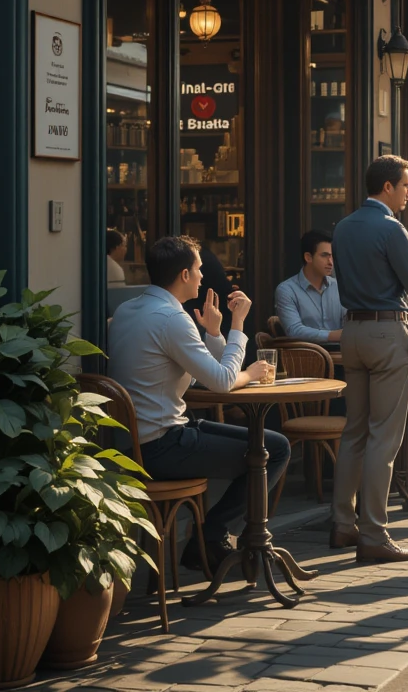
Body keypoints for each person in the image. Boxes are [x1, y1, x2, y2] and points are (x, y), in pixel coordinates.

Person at [108, 235, 285, 572]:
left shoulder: (128, 309)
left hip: (138, 443)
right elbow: (221, 383)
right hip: (161, 445)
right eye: (199, 269)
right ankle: (210, 537)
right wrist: (238, 328)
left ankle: (212, 539)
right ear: (184, 275)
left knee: (269, 444)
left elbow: (203, 375)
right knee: (273, 451)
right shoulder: (171, 319)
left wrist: (215, 333)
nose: (204, 276)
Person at [330, 155, 408, 562]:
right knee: (384, 435)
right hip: (386, 330)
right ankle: (374, 534)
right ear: (387, 188)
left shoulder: (343, 228)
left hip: (353, 332)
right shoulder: (391, 228)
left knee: (355, 430)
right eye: (406, 185)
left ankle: (344, 524)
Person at [274, 230, 345, 343]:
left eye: (332, 256)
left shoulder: (339, 287)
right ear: (308, 257)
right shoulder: (287, 290)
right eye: (324, 256)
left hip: (342, 355)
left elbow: (350, 323)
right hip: (305, 357)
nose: (331, 262)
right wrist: (333, 336)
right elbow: (294, 330)